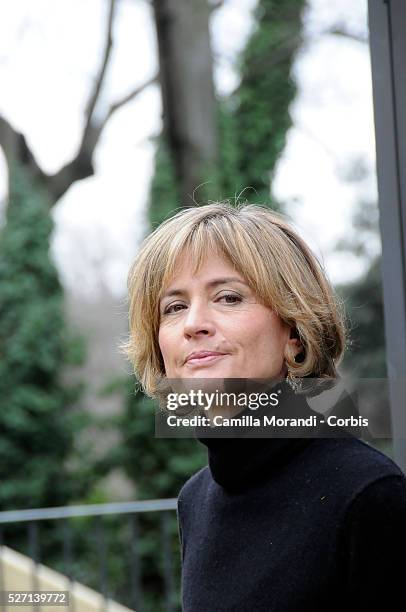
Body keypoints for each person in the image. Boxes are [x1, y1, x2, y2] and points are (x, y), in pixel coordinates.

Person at [122, 202, 406, 611]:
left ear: (294, 330)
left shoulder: (366, 494)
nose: (193, 323)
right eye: (175, 307)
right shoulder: (195, 500)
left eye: (228, 297)